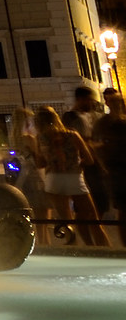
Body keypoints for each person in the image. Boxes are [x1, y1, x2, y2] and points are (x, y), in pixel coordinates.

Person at [32, 105, 107, 247]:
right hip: (74, 178)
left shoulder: (40, 138)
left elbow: (40, 163)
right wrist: (76, 163)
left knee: (67, 220)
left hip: (53, 180)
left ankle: (74, 251)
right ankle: (104, 250)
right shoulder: (72, 135)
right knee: (93, 219)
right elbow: (90, 159)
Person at [67, 85, 112, 220]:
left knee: (100, 203)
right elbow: (74, 141)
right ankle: (92, 232)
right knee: (87, 205)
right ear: (80, 99)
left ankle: (95, 230)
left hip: (97, 164)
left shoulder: (93, 116)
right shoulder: (71, 117)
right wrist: (94, 144)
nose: (93, 103)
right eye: (90, 100)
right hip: (85, 165)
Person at [97, 90, 126, 224]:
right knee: (122, 208)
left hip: (116, 168)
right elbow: (98, 144)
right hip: (116, 169)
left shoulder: (105, 122)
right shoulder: (104, 122)